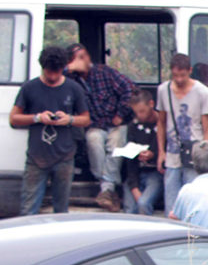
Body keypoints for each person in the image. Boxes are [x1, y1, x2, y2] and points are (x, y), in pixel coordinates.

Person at [9, 46, 90, 215]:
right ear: (42, 67)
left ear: (63, 68)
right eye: (49, 72)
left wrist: (70, 119)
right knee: (28, 209)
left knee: (61, 210)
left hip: (65, 157)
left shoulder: (73, 88)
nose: (52, 76)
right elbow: (14, 119)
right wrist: (37, 118)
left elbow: (86, 119)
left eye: (56, 72)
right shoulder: (29, 88)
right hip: (36, 158)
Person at [65, 43, 136, 212]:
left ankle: (106, 189)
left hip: (117, 123)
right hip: (96, 125)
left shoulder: (104, 72)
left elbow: (130, 89)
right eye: (78, 58)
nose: (83, 60)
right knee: (93, 141)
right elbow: (52, 76)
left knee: (116, 144)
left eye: (84, 56)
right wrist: (69, 69)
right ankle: (107, 188)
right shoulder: (71, 79)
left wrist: (120, 113)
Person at [156, 53, 208, 212]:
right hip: (172, 153)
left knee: (193, 202)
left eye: (182, 75)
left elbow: (207, 128)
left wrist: (206, 155)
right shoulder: (163, 90)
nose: (179, 80)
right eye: (175, 76)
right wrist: (161, 152)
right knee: (171, 203)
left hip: (193, 152)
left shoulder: (202, 92)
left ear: (189, 71)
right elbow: (161, 122)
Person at [121, 89, 163, 215]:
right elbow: (130, 162)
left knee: (143, 203)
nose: (140, 115)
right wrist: (134, 188)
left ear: (151, 104)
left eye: (142, 111)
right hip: (136, 173)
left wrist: (153, 155)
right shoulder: (133, 126)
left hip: (155, 173)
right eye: (136, 112)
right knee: (130, 208)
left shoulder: (161, 124)